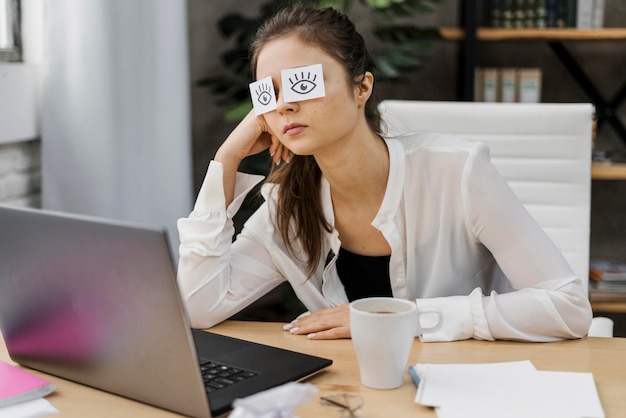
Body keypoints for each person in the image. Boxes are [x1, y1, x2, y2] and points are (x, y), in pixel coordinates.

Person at [177, 5, 592, 342]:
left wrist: (403, 319)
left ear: (362, 88)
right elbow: (197, 306)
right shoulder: (287, 207)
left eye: (303, 84)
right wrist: (226, 159)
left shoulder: (456, 172)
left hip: (465, 387)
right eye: (268, 93)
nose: (284, 106)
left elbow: (567, 306)